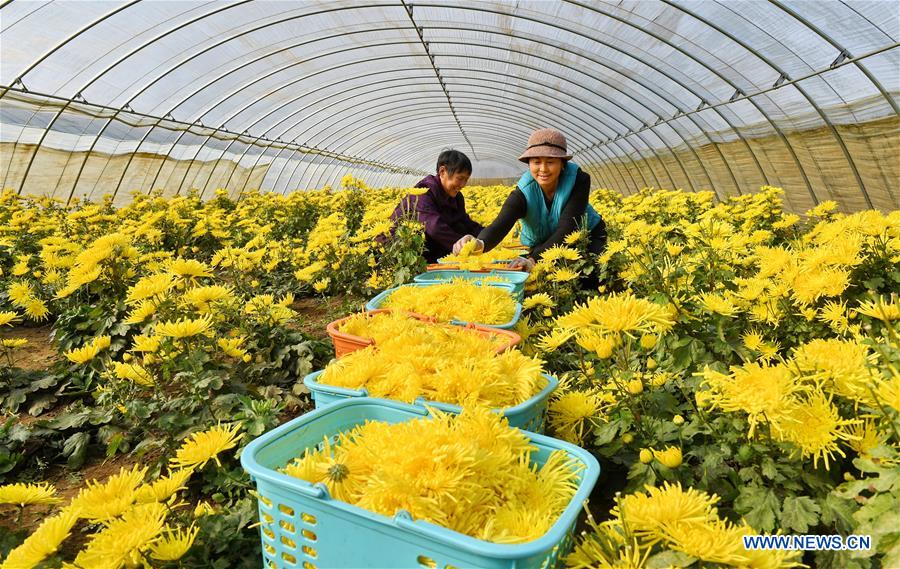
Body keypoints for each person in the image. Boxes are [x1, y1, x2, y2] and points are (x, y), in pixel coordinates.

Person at [452, 128, 606, 272]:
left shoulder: (578, 180)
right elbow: (500, 225)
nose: (543, 169)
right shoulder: (523, 193)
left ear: (563, 164)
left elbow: (567, 229)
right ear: (529, 164)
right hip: (545, 243)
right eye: (537, 162)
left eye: (550, 162)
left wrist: (533, 259)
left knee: (589, 272)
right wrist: (478, 243)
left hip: (587, 236)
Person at [385, 149, 483, 263]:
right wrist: (464, 247)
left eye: (466, 180)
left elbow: (466, 222)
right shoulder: (422, 193)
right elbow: (435, 227)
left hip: (427, 248)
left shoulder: (457, 197)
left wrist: (488, 237)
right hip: (395, 252)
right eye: (460, 178)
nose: (462, 185)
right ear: (442, 172)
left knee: (462, 228)